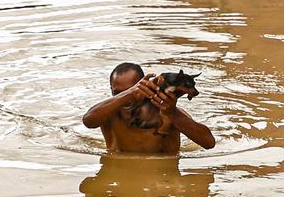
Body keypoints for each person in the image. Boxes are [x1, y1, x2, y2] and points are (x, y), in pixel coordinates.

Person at [82, 62, 215, 152]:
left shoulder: (167, 113)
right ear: (111, 92)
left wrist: (172, 114)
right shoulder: (108, 114)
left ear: (146, 88)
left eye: (133, 90)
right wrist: (129, 94)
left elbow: (209, 143)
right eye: (118, 93)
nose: (128, 101)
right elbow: (88, 121)